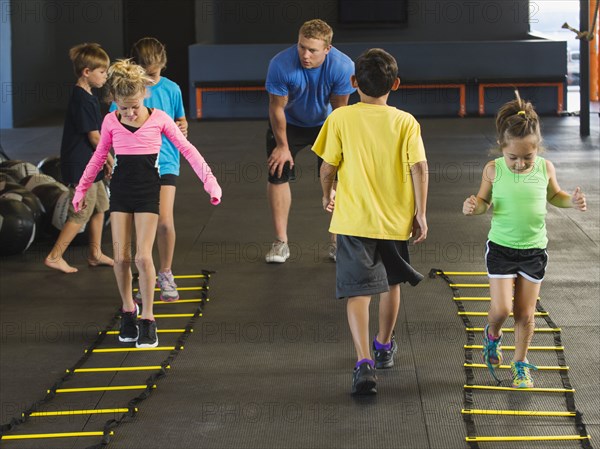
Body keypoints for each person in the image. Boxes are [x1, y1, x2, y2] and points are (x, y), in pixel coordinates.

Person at [73, 60, 222, 348]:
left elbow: (188, 151)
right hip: (120, 190)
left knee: (143, 257)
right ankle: (129, 311)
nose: (129, 113)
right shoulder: (110, 121)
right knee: (120, 257)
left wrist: (211, 182)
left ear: (145, 95)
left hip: (147, 191)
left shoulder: (160, 119)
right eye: (123, 107)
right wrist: (81, 190)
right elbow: (98, 157)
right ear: (114, 101)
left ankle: (148, 319)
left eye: (134, 106)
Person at [312, 48, 429, 395]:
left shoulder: (340, 118)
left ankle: (363, 361)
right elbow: (419, 167)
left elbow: (327, 167)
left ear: (352, 83)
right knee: (392, 284)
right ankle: (383, 346)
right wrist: (420, 212)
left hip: (353, 221)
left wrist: (326, 193)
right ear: (395, 83)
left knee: (358, 293)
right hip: (395, 221)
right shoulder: (406, 121)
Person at [463, 93, 587, 388]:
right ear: (501, 149)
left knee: (525, 313)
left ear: (537, 150)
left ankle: (520, 365)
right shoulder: (494, 170)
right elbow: (483, 202)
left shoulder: (545, 168)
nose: (520, 164)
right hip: (502, 250)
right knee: (502, 309)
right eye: (513, 158)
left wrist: (572, 200)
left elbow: (555, 196)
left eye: (527, 157)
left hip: (534, 251)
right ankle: (492, 334)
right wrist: (473, 207)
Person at [264, 19, 355, 263]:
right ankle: (280, 242)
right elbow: (276, 109)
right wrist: (283, 146)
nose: (305, 54)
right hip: (288, 124)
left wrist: (336, 150)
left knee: (336, 176)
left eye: (312, 50)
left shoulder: (343, 66)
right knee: (277, 170)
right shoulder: (280, 64)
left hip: (326, 123)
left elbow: (339, 110)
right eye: (302, 47)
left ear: (327, 48)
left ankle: (337, 241)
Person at [110, 37, 187, 302]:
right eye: (146, 74)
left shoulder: (172, 89)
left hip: (165, 161)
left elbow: (180, 120)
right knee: (133, 232)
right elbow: (113, 130)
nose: (151, 79)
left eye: (155, 73)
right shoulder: (124, 94)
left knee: (164, 221)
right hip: (132, 166)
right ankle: (142, 278)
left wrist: (182, 127)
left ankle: (165, 272)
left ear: (163, 65)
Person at [44, 43, 114, 274]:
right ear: (87, 72)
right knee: (82, 211)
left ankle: (94, 253)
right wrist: (109, 157)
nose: (105, 76)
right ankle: (55, 256)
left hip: (89, 162)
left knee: (100, 206)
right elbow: (94, 137)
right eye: (102, 72)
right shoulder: (82, 99)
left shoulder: (88, 96)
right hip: (80, 165)